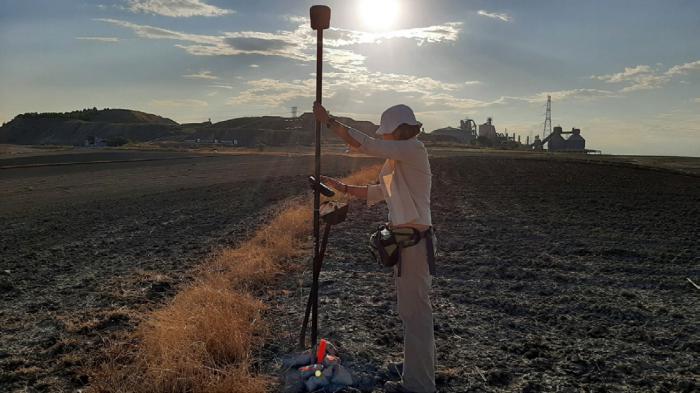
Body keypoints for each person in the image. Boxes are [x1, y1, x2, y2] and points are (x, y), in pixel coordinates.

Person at [313, 102, 436, 393]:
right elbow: (379, 192)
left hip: (415, 245)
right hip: (406, 245)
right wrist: (341, 187)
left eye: (387, 133)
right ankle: (415, 372)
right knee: (412, 313)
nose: (385, 138)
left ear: (397, 130)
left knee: (416, 315)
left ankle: (420, 386)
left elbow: (365, 144)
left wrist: (329, 121)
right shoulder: (398, 160)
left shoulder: (413, 149)